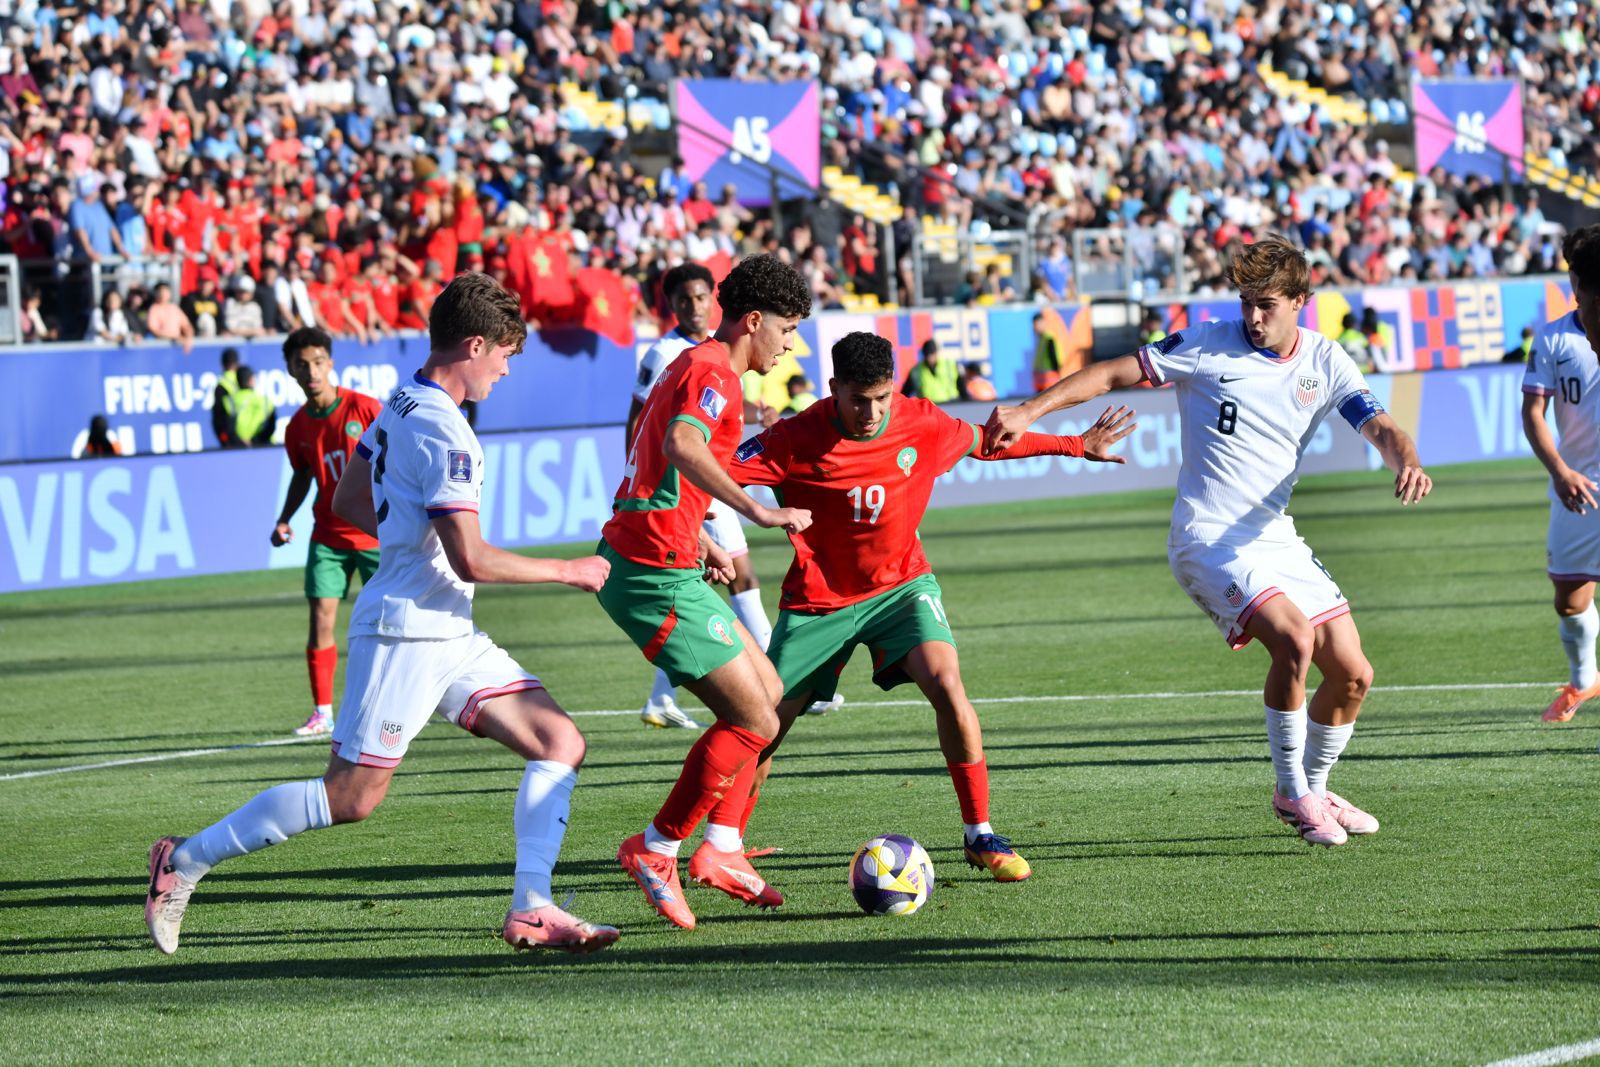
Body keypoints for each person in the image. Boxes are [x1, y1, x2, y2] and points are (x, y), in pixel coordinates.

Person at [146, 272, 620, 957]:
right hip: (406, 631)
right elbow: (472, 558)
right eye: (504, 356)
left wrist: (404, 528)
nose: (506, 370)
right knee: (350, 797)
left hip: (449, 630)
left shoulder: (399, 398)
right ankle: (183, 859)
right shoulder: (445, 430)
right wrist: (568, 569)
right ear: (475, 343)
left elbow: (345, 500)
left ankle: (533, 906)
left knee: (560, 741)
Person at [985, 234, 1432, 847]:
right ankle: (1290, 791)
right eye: (1246, 302)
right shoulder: (1204, 344)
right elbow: (1114, 371)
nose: (1252, 317)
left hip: (1273, 536)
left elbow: (1379, 425)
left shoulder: (1326, 361)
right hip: (1207, 539)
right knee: (1295, 641)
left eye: (1266, 305)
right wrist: (1030, 412)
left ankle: (1315, 785)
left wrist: (1406, 458)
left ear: (1301, 300)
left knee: (1354, 675)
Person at [724, 332, 1136, 880]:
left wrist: (1075, 446)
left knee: (948, 685)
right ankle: (724, 842)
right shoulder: (792, 439)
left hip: (902, 587)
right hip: (819, 600)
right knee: (766, 724)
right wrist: (704, 536)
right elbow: (708, 470)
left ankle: (980, 833)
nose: (871, 412)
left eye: (882, 398)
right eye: (857, 399)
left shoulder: (921, 420)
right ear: (832, 390)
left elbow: (990, 443)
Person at [598, 253, 814, 930]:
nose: (788, 347)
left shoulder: (695, 364)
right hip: (649, 574)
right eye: (786, 331)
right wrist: (757, 512)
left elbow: (656, 458)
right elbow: (683, 446)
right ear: (754, 321)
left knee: (771, 699)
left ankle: (720, 847)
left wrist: (704, 539)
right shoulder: (714, 370)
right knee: (753, 717)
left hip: (668, 556)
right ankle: (657, 847)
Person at [271, 327, 385, 736]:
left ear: (331, 362)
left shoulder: (365, 409)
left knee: (390, 621)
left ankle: (393, 701)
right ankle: (322, 712)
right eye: (302, 364)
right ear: (290, 370)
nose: (312, 371)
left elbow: (399, 454)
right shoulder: (297, 427)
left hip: (375, 534)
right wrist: (285, 518)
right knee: (321, 618)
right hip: (328, 537)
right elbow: (302, 476)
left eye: (318, 361)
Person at [1521, 225, 1600, 724]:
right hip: (1579, 489)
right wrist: (1560, 470)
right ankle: (1584, 680)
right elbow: (1533, 413)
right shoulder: (1554, 338)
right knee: (1570, 600)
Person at [222, 366, 276, 447]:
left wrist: (241, 442)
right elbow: (271, 427)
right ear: (251, 380)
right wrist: (255, 441)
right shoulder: (266, 401)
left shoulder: (229, 401)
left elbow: (227, 429)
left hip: (238, 450)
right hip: (264, 447)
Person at [212, 348, 243, 448]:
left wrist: (224, 439)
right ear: (238, 363)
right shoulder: (244, 378)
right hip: (248, 436)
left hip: (230, 438)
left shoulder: (221, 385)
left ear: (222, 364)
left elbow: (218, 417)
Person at [1032, 313, 1063, 391]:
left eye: (1036, 324)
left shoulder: (1048, 338)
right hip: (1042, 379)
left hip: (1049, 378)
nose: (1034, 327)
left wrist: (1057, 371)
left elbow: (1054, 355)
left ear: (1043, 323)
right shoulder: (1041, 338)